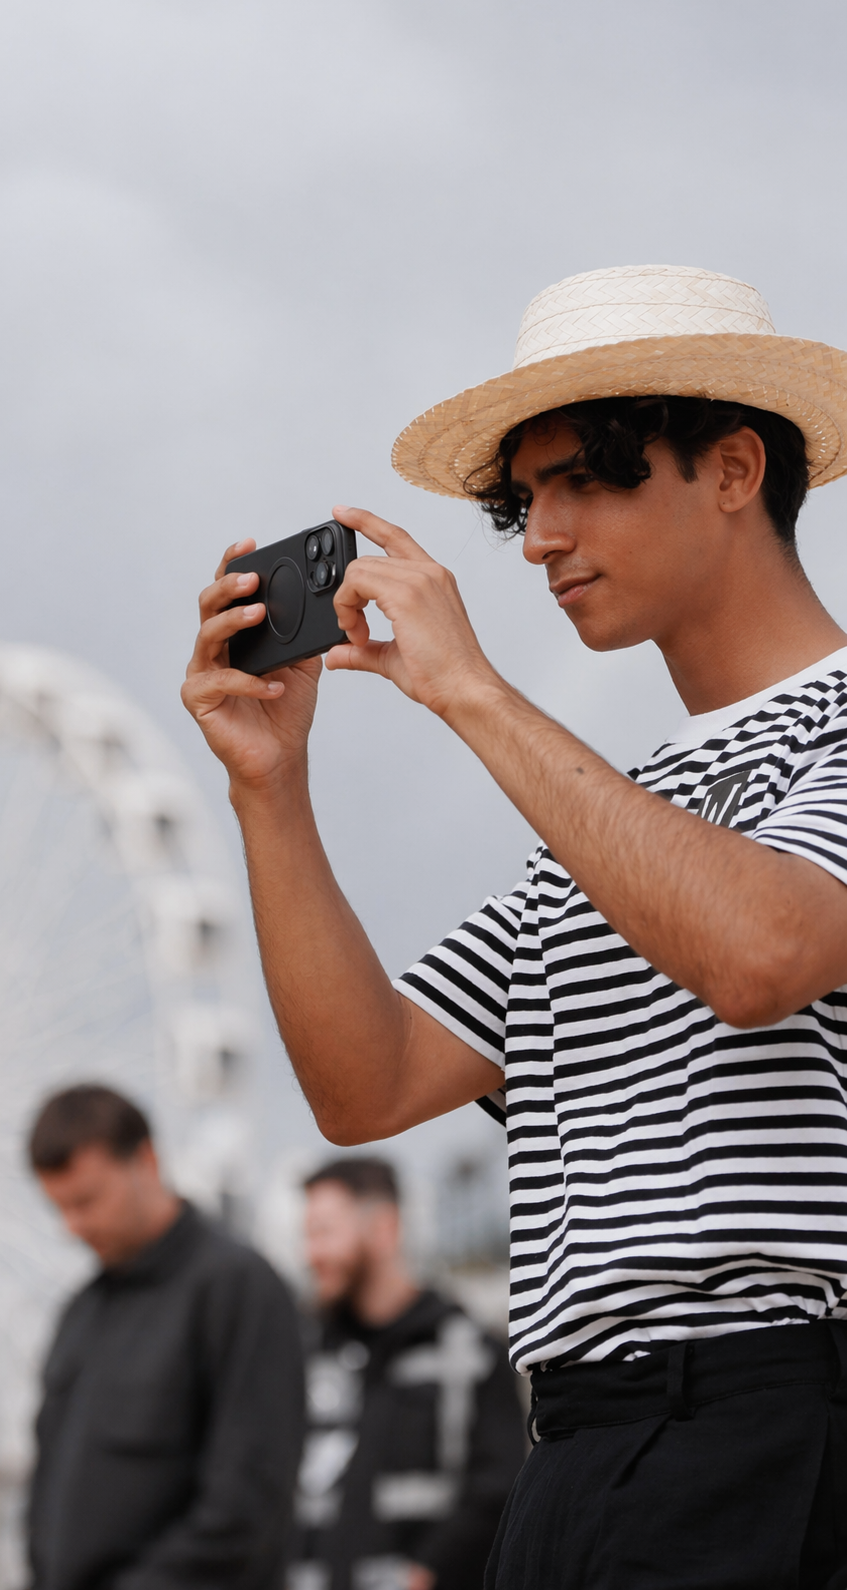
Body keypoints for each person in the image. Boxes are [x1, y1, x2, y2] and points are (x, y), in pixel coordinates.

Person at [182, 263, 847, 1587]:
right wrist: (272, 792)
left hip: (780, 1422)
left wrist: (473, 694)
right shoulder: (607, 819)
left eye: (586, 480)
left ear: (729, 469)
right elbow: (365, 1084)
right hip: (575, 1450)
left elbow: (764, 955)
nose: (540, 538)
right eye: (526, 499)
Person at [26, 1083, 304, 1590]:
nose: (73, 1227)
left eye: (86, 1201)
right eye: (59, 1208)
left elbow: (247, 1507)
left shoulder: (238, 1289)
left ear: (146, 1160)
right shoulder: (80, 1312)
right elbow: (46, 1496)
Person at [289, 1157, 524, 1590]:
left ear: (383, 1229)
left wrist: (426, 1572)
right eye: (307, 1236)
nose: (311, 1254)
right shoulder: (302, 1353)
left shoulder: (470, 1352)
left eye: (323, 1232)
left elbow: (498, 1489)